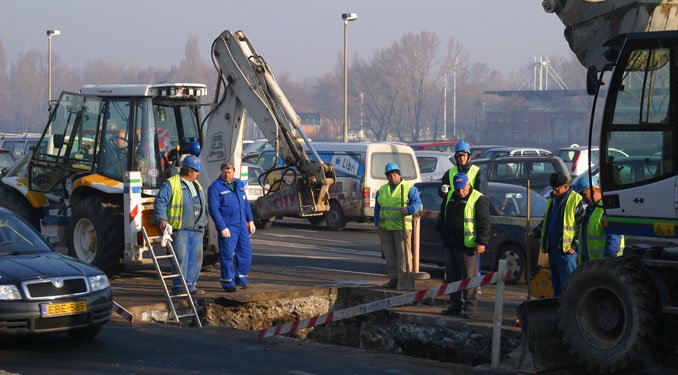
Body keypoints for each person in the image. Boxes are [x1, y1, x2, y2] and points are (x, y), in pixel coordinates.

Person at [437, 173, 490, 318]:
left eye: (463, 188)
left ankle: (470, 308)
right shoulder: (450, 196)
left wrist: (481, 242)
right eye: (458, 188)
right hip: (452, 244)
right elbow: (443, 217)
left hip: (468, 246)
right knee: (452, 278)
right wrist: (443, 235)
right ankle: (455, 305)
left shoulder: (478, 198)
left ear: (468, 184)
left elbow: (484, 222)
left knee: (469, 278)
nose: (461, 191)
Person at [153, 154, 208, 295]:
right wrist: (162, 219)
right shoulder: (171, 183)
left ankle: (190, 285)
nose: (198, 173)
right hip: (180, 229)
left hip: (197, 229)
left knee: (196, 258)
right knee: (181, 258)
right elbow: (160, 202)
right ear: (190, 171)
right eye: (197, 171)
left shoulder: (196, 184)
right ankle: (179, 287)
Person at [531, 171, 585, 297]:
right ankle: (559, 310)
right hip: (553, 250)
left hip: (567, 252)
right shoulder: (552, 200)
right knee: (556, 285)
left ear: (566, 186)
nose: (554, 192)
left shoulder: (575, 200)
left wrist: (574, 247)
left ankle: (569, 311)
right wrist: (534, 233)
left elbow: (582, 227)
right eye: (553, 189)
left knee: (570, 285)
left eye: (557, 189)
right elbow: (546, 222)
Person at [208, 161, 257, 293]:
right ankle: (228, 281)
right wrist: (222, 227)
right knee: (227, 255)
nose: (227, 174)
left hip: (241, 225)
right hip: (228, 226)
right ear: (221, 171)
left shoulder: (239, 184)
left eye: (229, 172)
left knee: (245, 253)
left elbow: (245, 203)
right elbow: (213, 209)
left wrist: (250, 220)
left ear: (234, 172)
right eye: (224, 171)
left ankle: (241, 278)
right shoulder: (215, 187)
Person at [374, 162, 422, 288]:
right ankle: (394, 279)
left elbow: (417, 203)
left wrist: (408, 210)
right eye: (390, 175)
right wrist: (377, 222)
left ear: (399, 175)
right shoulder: (382, 190)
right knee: (390, 255)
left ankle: (404, 279)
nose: (392, 177)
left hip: (402, 227)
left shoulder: (408, 188)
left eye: (394, 175)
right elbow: (378, 207)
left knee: (404, 256)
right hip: (385, 228)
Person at [572, 175, 624, 262]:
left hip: (605, 266)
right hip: (592, 265)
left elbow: (613, 239)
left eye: (584, 195)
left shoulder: (606, 209)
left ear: (593, 191)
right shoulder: (590, 210)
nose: (583, 199)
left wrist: (607, 261)